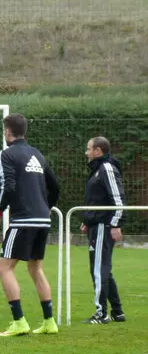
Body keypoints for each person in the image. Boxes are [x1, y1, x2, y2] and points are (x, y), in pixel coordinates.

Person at [0, 113, 60, 337]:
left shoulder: (6, 154)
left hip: (24, 220)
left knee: (4, 268)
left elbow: (7, 187)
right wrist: (48, 207)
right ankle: (49, 322)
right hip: (42, 220)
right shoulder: (37, 154)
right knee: (35, 268)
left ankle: (19, 321)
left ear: (7, 132)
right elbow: (55, 186)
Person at [80, 136, 127, 324]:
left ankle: (102, 313)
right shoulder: (97, 170)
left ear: (98, 151)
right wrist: (87, 221)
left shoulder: (106, 168)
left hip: (103, 227)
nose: (86, 152)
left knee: (98, 270)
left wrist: (116, 224)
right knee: (104, 269)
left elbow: (118, 199)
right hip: (96, 225)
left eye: (88, 148)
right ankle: (118, 312)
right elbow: (96, 200)